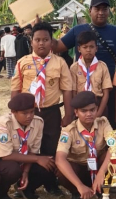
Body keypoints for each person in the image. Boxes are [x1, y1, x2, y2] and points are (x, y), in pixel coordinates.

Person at [11, 21, 73, 158]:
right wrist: (13, 112)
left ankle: (49, 176)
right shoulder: (22, 62)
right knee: (26, 144)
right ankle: (27, 176)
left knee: (50, 146)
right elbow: (16, 88)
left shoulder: (60, 63)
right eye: (37, 40)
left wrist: (68, 114)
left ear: (52, 42)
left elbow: (67, 89)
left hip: (51, 112)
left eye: (45, 40)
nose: (41, 43)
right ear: (31, 41)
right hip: (27, 112)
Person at [0, 92, 59, 199]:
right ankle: (1, 194)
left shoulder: (38, 122)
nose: (29, 116)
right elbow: (6, 156)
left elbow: (33, 151)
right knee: (12, 169)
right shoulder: (4, 123)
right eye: (24, 113)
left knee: (49, 162)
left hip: (23, 158)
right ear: (14, 113)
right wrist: (37, 159)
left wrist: (26, 172)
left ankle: (26, 188)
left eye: (32, 112)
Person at [55, 91, 115, 199]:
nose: (89, 114)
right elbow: (59, 159)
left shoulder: (103, 123)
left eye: (92, 110)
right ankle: (76, 192)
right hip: (79, 171)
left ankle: (102, 190)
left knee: (114, 159)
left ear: (97, 109)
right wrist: (79, 185)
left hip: (98, 168)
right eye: (84, 111)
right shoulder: (68, 131)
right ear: (76, 112)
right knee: (61, 171)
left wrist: (102, 172)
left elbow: (115, 146)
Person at [70, 30, 113, 119]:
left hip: (99, 104)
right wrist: (78, 110)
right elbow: (73, 92)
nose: (88, 50)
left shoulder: (102, 66)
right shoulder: (74, 68)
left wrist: (99, 113)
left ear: (96, 48)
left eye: (91, 47)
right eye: (85, 47)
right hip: (80, 105)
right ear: (79, 49)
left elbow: (106, 93)